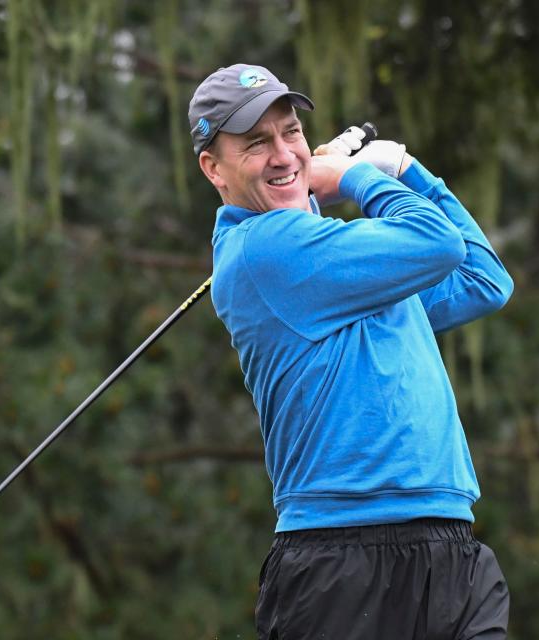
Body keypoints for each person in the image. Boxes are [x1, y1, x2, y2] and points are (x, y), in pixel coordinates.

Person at [188, 63, 513, 639]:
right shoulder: (264, 250)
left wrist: (410, 172)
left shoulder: (338, 257)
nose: (284, 154)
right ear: (214, 168)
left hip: (450, 545)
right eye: (256, 143)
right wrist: (356, 180)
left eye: (291, 132)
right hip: (342, 556)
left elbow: (485, 280)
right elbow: (437, 244)